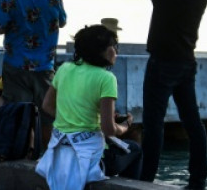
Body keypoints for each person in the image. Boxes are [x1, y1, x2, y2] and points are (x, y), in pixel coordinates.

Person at [126, 0, 207, 189]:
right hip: (186, 63)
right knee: (193, 122)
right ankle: (198, 180)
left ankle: (147, 178)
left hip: (161, 63)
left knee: (153, 123)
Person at [36, 24, 141, 189]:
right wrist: (125, 125)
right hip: (90, 157)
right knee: (135, 149)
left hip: (58, 153)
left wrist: (72, 119)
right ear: (102, 51)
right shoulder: (106, 78)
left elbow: (47, 106)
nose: (116, 50)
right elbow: (108, 130)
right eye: (113, 46)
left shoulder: (64, 69)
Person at [0, 0, 67, 143]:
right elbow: (63, 21)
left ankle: (22, 155)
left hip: (16, 66)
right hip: (45, 66)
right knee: (48, 116)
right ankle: (46, 158)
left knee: (18, 115)